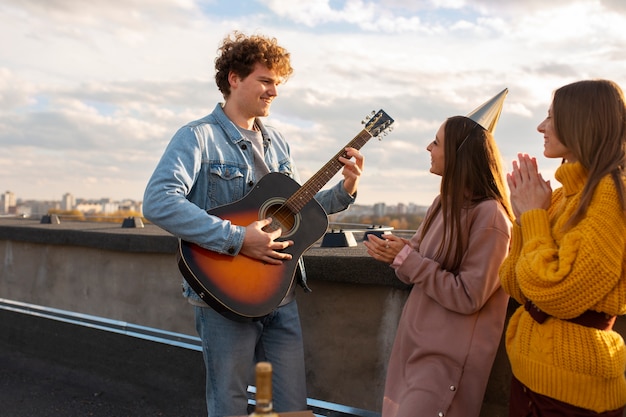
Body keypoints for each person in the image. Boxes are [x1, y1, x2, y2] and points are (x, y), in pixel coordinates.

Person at [142, 31, 364, 417]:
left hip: (282, 293)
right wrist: (238, 238)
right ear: (233, 78)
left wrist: (346, 188)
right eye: (265, 80)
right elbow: (158, 202)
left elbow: (297, 212)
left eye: (277, 83)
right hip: (226, 296)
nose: (274, 91)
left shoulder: (278, 141)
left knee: (291, 409)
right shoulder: (197, 137)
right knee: (229, 404)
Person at [364, 89, 513, 417]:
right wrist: (396, 253)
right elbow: (413, 263)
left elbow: (469, 297)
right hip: (413, 350)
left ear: (460, 153)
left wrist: (407, 258)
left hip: (447, 363)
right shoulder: (440, 205)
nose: (428, 148)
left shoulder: (491, 217)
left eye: (436, 142)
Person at [500, 79, 626, 416]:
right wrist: (525, 217)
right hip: (528, 378)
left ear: (580, 122)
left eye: (551, 118)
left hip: (572, 394)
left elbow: (557, 291)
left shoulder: (610, 195)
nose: (541, 126)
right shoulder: (559, 197)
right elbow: (515, 284)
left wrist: (535, 216)